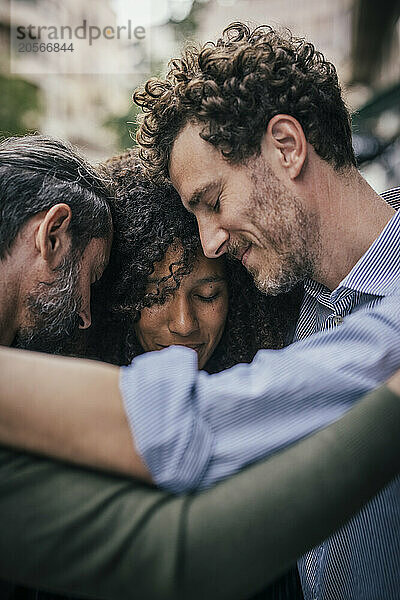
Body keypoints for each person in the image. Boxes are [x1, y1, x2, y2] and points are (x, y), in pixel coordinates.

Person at [5, 22, 399, 600]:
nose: (211, 243)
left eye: (213, 202)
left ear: (286, 146)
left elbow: (198, 424)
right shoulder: (288, 299)